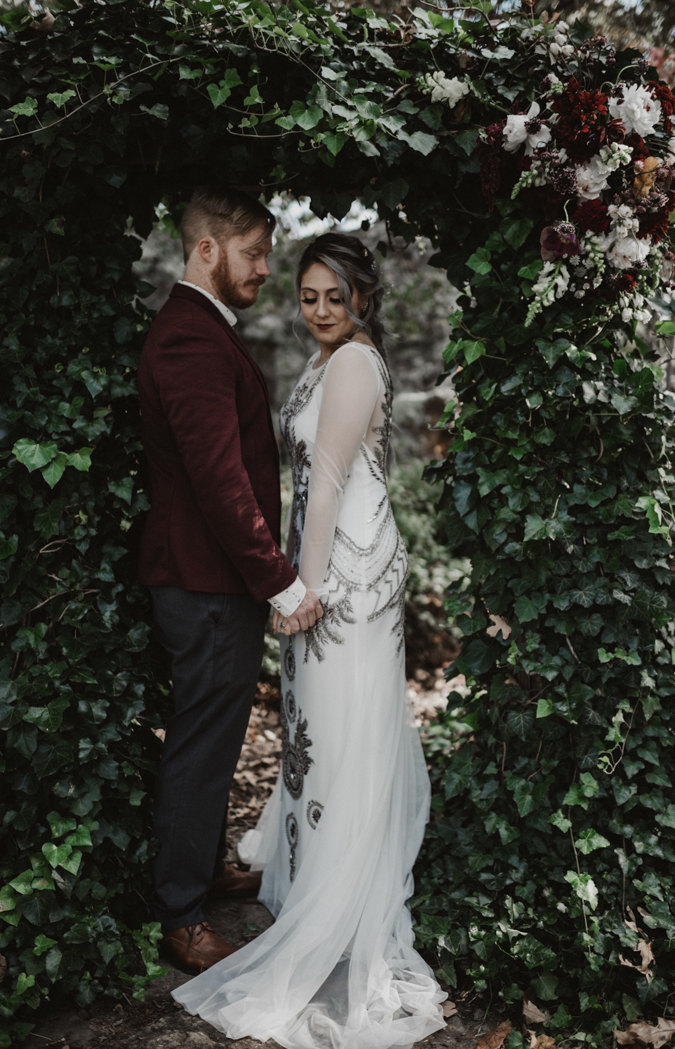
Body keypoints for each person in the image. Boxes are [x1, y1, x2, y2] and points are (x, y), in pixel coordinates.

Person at [173, 233, 447, 1047]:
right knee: (315, 738)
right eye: (308, 296)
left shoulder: (356, 363)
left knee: (339, 735)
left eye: (335, 296)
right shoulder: (335, 362)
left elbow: (323, 488)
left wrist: (305, 592)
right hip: (331, 570)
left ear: (362, 297)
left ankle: (343, 900)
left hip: (346, 581)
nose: (320, 310)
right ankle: (317, 879)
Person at [137, 186, 323, 975]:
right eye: (253, 252)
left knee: (210, 738)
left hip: (211, 581)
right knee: (199, 742)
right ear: (207, 249)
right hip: (207, 582)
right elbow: (220, 482)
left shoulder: (202, 331)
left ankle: (204, 869)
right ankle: (180, 917)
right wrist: (278, 581)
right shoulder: (189, 340)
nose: (267, 267)